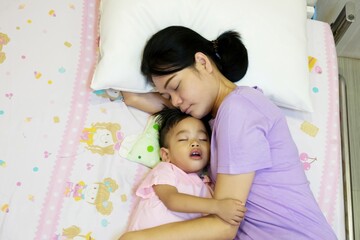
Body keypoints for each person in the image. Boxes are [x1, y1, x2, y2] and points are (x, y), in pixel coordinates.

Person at [119, 26, 337, 240]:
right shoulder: (216, 119)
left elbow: (224, 226)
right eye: (167, 95)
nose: (175, 101)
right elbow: (157, 107)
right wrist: (130, 93)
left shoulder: (238, 112)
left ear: (203, 62)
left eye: (176, 87)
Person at [126, 107, 245, 231]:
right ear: (166, 155)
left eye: (202, 139)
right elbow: (172, 200)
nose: (195, 143)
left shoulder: (208, 186)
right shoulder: (166, 169)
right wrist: (217, 206)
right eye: (183, 139)